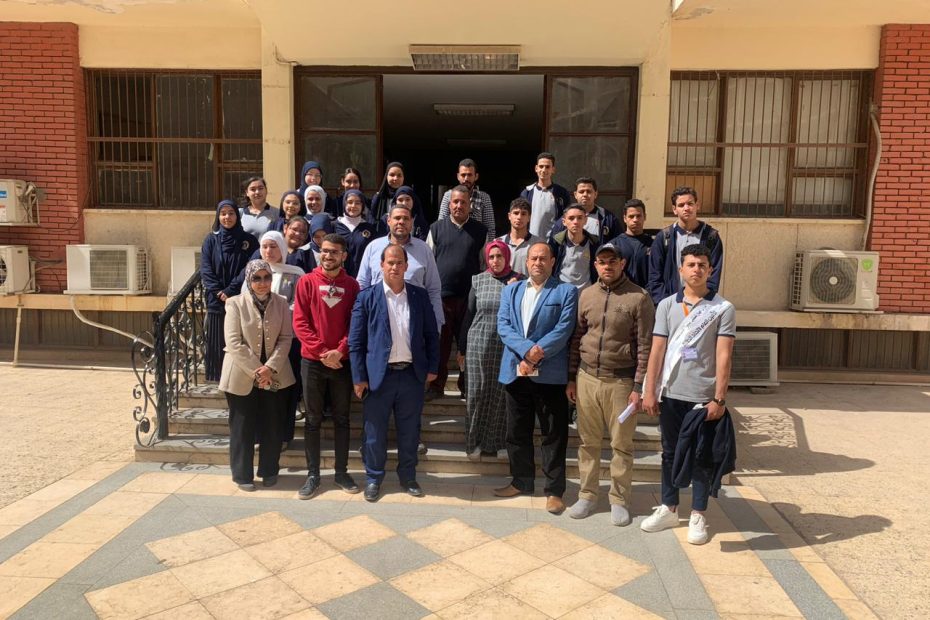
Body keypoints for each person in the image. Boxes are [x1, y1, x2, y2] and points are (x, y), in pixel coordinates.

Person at [641, 244, 735, 545]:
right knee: (669, 452)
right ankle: (669, 507)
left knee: (700, 455)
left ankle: (698, 513)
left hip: (702, 396)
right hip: (671, 393)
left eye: (702, 265)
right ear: (681, 270)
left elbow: (724, 356)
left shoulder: (722, 308)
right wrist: (649, 390)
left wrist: (719, 398)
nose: (696, 269)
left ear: (710, 270)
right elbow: (657, 350)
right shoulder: (667, 305)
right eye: (691, 264)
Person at [566, 242, 654, 525]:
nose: (607, 266)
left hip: (620, 382)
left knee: (621, 444)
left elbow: (645, 346)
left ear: (622, 264)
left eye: (612, 261)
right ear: (595, 265)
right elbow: (576, 338)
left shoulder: (639, 297)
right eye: (602, 261)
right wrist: (571, 378)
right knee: (588, 442)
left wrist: (638, 387)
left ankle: (619, 499)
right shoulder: (586, 295)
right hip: (587, 378)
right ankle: (587, 495)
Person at [349, 244, 440, 502]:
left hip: (411, 375)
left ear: (406, 266)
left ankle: (408, 477)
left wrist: (432, 367)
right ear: (381, 265)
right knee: (374, 432)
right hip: (379, 377)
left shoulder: (419, 296)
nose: (395, 267)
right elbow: (356, 341)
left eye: (399, 262)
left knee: (410, 431)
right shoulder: (367, 297)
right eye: (390, 262)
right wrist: (359, 377)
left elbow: (431, 334)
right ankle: (373, 478)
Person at [494, 242, 578, 514]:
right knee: (517, 432)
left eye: (543, 258)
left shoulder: (566, 291)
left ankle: (554, 491)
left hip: (550, 375)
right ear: (526, 261)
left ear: (552, 262)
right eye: (533, 258)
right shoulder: (511, 290)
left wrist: (534, 355)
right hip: (516, 372)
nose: (538, 263)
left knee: (554, 434)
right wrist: (526, 352)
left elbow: (564, 329)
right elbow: (504, 326)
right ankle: (521, 481)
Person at [292, 233, 361, 498]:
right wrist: (322, 352)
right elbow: (300, 322)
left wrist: (340, 351)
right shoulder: (306, 282)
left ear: (344, 256)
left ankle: (341, 472)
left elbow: (354, 324)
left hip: (342, 363)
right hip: (313, 362)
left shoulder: (352, 286)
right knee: (313, 419)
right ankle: (313, 475)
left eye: (334, 252)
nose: (328, 255)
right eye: (324, 251)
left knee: (342, 419)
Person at [218, 259, 296, 491]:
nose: (262, 283)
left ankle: (269, 471)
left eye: (267, 277)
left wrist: (269, 368)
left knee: (273, 425)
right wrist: (257, 370)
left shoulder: (281, 303)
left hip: (275, 374)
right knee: (242, 427)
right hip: (241, 375)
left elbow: (286, 338)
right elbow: (234, 342)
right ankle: (242, 475)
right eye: (256, 278)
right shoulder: (235, 303)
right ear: (248, 280)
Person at [458, 241, 523, 460]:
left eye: (499, 256)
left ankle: (497, 443)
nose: (495, 261)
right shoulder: (478, 280)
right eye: (491, 257)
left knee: (501, 393)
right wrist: (461, 348)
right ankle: (473, 442)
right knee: (476, 392)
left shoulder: (519, 281)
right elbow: (469, 314)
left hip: (506, 345)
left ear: (507, 257)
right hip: (478, 342)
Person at [425, 184, 488, 401]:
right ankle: (436, 386)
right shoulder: (436, 228)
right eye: (455, 202)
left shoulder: (480, 231)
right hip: (441, 298)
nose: (459, 206)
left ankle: (466, 386)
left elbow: (484, 265)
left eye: (463, 202)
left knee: (468, 345)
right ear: (449, 204)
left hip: (469, 299)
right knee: (440, 345)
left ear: (470, 205)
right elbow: (428, 262)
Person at [357, 204, 443, 331]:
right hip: (378, 321)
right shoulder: (373, 247)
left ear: (412, 222)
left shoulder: (424, 249)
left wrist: (436, 324)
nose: (401, 222)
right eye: (397, 218)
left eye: (406, 218)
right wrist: (361, 320)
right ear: (388, 220)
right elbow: (362, 284)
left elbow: (433, 289)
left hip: (415, 322)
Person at [256, 231, 306, 449]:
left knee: (285, 390)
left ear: (283, 248)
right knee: (261, 389)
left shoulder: (295, 274)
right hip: (260, 341)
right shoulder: (253, 273)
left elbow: (299, 305)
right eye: (265, 246)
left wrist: (275, 311)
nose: (269, 251)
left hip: (288, 340)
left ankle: (283, 436)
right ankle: (260, 435)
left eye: (274, 246)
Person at [201, 200, 258, 382]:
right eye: (223, 213)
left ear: (237, 216)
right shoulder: (211, 240)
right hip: (216, 300)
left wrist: (230, 290)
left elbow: (250, 267)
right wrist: (218, 291)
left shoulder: (249, 241)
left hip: (240, 296)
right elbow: (206, 268)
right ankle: (217, 378)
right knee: (217, 339)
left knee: (240, 339)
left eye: (231, 213)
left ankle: (240, 377)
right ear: (218, 217)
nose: (227, 217)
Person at [647, 186, 723, 305]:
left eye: (690, 204)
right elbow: (654, 276)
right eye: (681, 205)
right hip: (670, 304)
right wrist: (665, 303)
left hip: (700, 305)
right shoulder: (663, 237)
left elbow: (713, 276)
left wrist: (702, 302)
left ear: (697, 205)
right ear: (674, 209)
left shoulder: (711, 237)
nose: (686, 208)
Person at [437, 158, 496, 240]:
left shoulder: (484, 197)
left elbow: (490, 229)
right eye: (463, 175)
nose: (466, 179)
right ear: (458, 176)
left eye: (469, 175)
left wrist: (487, 246)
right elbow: (441, 223)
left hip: (477, 243)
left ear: (476, 176)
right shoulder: (449, 195)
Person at [548, 177, 621, 241]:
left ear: (595, 194)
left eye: (589, 191)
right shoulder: (565, 220)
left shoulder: (608, 218)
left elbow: (618, 243)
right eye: (581, 192)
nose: (585, 194)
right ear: (575, 195)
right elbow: (554, 244)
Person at [519, 152, 572, 239]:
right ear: (536, 168)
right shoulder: (527, 193)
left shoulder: (562, 193)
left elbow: (567, 218)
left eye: (547, 167)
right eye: (541, 166)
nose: (544, 170)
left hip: (553, 242)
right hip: (530, 242)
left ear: (553, 169)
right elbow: (521, 218)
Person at [369, 162, 428, 240]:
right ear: (386, 176)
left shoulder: (411, 196)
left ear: (404, 177)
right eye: (392, 175)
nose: (395, 178)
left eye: (399, 175)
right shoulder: (378, 198)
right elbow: (372, 220)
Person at [548, 204, 599, 290]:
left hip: (586, 292)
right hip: (561, 291)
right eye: (571, 218)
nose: (575, 222)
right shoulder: (556, 242)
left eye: (579, 218)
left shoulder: (594, 243)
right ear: (564, 222)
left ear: (585, 220)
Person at [335, 188, 381, 278]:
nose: (353, 206)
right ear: (344, 204)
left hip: (362, 277)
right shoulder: (335, 225)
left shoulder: (369, 228)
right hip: (337, 277)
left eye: (358, 203)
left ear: (362, 205)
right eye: (350, 202)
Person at [608, 199, 653, 289]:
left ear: (645, 217)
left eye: (638, 216)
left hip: (647, 294)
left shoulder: (653, 244)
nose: (635, 220)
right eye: (631, 216)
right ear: (625, 218)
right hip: (621, 293)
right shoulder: (614, 245)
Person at [496, 197, 540, 277]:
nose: (519, 217)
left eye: (523, 214)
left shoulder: (538, 244)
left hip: (528, 284)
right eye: (516, 213)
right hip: (503, 284)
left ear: (529, 217)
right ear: (509, 216)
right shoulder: (497, 243)